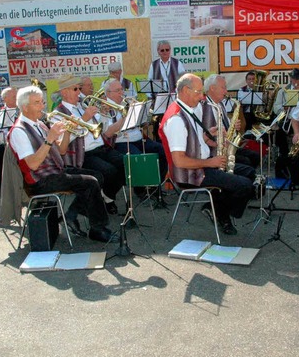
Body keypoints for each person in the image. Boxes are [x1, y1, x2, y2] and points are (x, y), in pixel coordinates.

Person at [8, 85, 117, 243]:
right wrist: (49, 138)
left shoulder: (39, 124)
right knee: (90, 183)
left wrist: (67, 131)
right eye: (37, 103)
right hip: (39, 179)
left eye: (42, 102)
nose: (42, 106)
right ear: (25, 107)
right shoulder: (19, 131)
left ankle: (71, 215)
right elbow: (32, 164)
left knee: (97, 176)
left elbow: (62, 151)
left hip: (55, 170)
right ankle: (97, 228)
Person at [159, 73, 255, 235]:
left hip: (202, 165)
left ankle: (217, 207)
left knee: (247, 172)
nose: (202, 96)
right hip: (190, 174)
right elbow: (179, 161)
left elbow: (192, 140)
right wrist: (211, 163)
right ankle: (221, 214)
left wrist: (207, 138)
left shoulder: (187, 109)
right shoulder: (176, 119)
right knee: (244, 185)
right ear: (184, 91)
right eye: (198, 92)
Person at [53, 75, 125, 214]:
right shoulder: (58, 113)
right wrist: (83, 119)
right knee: (108, 171)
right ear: (64, 92)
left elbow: (101, 128)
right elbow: (64, 142)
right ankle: (101, 202)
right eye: (75, 89)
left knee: (126, 163)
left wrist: (103, 113)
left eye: (79, 88)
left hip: (101, 147)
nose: (79, 92)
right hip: (83, 154)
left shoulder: (82, 105)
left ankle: (106, 197)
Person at [102, 79, 167, 181]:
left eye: (122, 89)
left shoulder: (125, 102)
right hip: (121, 142)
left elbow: (142, 124)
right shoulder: (104, 108)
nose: (121, 93)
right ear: (108, 93)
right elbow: (108, 132)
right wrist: (125, 116)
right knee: (139, 158)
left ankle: (156, 185)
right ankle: (141, 189)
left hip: (138, 138)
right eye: (118, 90)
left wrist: (142, 114)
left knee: (162, 150)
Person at [201, 74, 259, 174]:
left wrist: (233, 126)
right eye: (223, 88)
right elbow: (206, 134)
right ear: (212, 88)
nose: (226, 91)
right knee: (247, 162)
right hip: (215, 152)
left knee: (255, 156)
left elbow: (227, 126)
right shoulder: (204, 107)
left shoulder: (221, 103)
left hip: (227, 146)